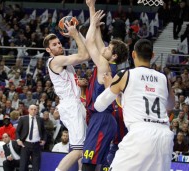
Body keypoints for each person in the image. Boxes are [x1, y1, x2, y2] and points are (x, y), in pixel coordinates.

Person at [94, 39, 175, 171]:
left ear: (133, 54)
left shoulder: (125, 74)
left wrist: (110, 87)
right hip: (164, 136)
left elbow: (99, 105)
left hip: (140, 133)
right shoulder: (163, 78)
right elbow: (171, 104)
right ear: (153, 55)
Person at [82, 1, 129, 169]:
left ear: (114, 55)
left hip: (101, 118)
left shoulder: (104, 66)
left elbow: (89, 41)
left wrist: (92, 23)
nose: (105, 47)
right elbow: (97, 39)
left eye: (109, 47)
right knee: (98, 165)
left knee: (88, 163)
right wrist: (91, 7)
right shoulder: (108, 63)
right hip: (104, 119)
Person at [44, 11, 89, 171]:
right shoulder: (56, 60)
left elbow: (87, 54)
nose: (58, 45)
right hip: (71, 107)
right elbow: (84, 55)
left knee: (83, 148)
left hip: (75, 105)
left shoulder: (63, 61)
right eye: (54, 45)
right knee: (77, 150)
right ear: (49, 50)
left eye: (58, 43)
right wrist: (75, 34)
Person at [16, 105, 46, 171]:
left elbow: (44, 131)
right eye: (32, 109)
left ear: (37, 111)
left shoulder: (40, 120)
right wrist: (18, 140)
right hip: (25, 145)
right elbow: (17, 131)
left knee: (36, 166)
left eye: (35, 109)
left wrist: (44, 140)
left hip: (36, 145)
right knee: (23, 166)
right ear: (28, 110)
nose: (33, 111)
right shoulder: (23, 119)